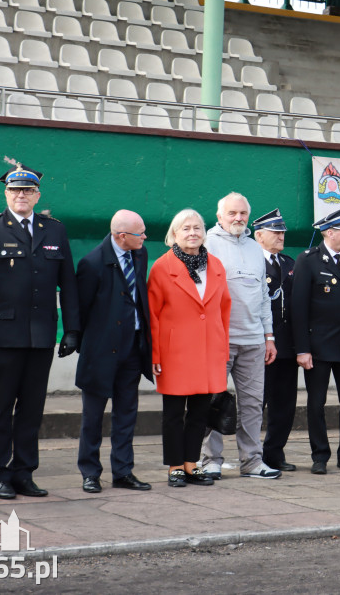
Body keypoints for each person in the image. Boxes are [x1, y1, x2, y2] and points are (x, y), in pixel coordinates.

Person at [0, 163, 80, 500]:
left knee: (32, 408)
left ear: (37, 194)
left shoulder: (54, 231)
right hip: (2, 337)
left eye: (28, 191)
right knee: (1, 408)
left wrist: (71, 328)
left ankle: (24, 472)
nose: (21, 196)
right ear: (6, 194)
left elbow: (67, 283)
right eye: (15, 190)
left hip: (41, 335)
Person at [200, 192, 281, 479]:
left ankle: (252, 462)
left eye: (243, 213)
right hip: (218, 341)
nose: (238, 218)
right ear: (219, 215)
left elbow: (263, 296)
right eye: (232, 213)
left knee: (252, 404)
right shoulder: (206, 244)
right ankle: (211, 461)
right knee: (212, 403)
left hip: (253, 341)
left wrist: (268, 337)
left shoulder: (253, 248)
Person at [75, 210, 154, 494]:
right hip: (100, 351)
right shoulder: (92, 263)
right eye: (140, 233)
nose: (145, 237)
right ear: (122, 236)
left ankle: (123, 471)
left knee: (126, 413)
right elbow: (81, 311)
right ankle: (90, 472)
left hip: (132, 347)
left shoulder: (140, 255)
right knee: (93, 416)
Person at [149, 209, 229, 487]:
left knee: (200, 412)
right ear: (174, 234)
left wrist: (222, 347)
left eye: (197, 227)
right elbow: (153, 314)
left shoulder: (216, 265)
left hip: (209, 351)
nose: (192, 232)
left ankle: (191, 464)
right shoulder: (162, 266)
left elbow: (223, 309)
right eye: (186, 228)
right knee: (173, 414)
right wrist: (155, 354)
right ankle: (175, 467)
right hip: (175, 353)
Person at [291, 207, 340, 475]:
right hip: (318, 346)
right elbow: (298, 308)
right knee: (316, 403)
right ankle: (320, 455)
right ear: (329, 232)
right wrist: (302, 348)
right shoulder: (308, 260)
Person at [253, 209, 298, 473]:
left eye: (282, 232)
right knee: (257, 403)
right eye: (276, 231)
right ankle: (252, 454)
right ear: (259, 235)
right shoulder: (252, 262)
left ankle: (274, 453)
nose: (281, 236)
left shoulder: (290, 264)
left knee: (285, 403)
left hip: (286, 345)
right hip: (259, 344)